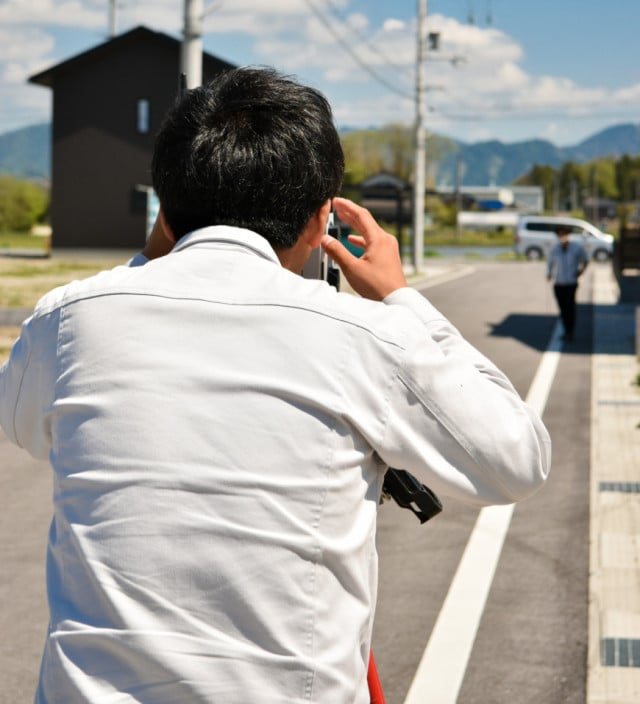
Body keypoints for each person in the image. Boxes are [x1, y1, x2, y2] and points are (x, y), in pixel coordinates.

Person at [0, 67, 551, 704]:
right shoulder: (363, 333)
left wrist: (147, 262)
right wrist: (402, 298)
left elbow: (24, 425)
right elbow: (518, 460)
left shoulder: (66, 319)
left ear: (164, 207)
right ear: (324, 223)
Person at [546, 225, 588, 341]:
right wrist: (549, 274)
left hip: (571, 283)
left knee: (570, 308)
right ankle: (566, 330)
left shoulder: (576, 247)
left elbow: (585, 260)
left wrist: (580, 272)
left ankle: (570, 331)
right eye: (560, 234)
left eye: (564, 234)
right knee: (562, 308)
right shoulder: (554, 249)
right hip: (559, 283)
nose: (562, 236)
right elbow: (550, 263)